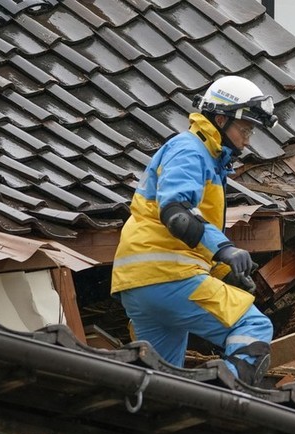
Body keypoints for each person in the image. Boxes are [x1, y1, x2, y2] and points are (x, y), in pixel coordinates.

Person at [111, 76, 278, 386]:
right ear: (220, 118)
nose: (248, 140)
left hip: (140, 282)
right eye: (245, 130)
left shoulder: (205, 158)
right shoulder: (190, 150)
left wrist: (224, 271)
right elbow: (177, 215)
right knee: (253, 328)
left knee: (163, 381)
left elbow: (190, 230)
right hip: (168, 275)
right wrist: (225, 249)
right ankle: (220, 405)